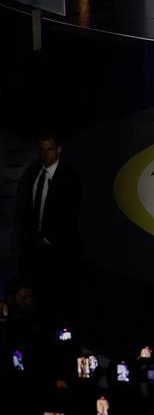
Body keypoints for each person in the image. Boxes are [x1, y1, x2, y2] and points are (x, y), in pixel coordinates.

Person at [14, 132, 82, 321]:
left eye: (49, 150)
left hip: (59, 251)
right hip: (32, 248)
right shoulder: (32, 174)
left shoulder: (69, 177)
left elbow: (71, 214)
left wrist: (50, 239)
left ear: (58, 150)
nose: (46, 154)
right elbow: (24, 209)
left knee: (55, 303)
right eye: (42, 150)